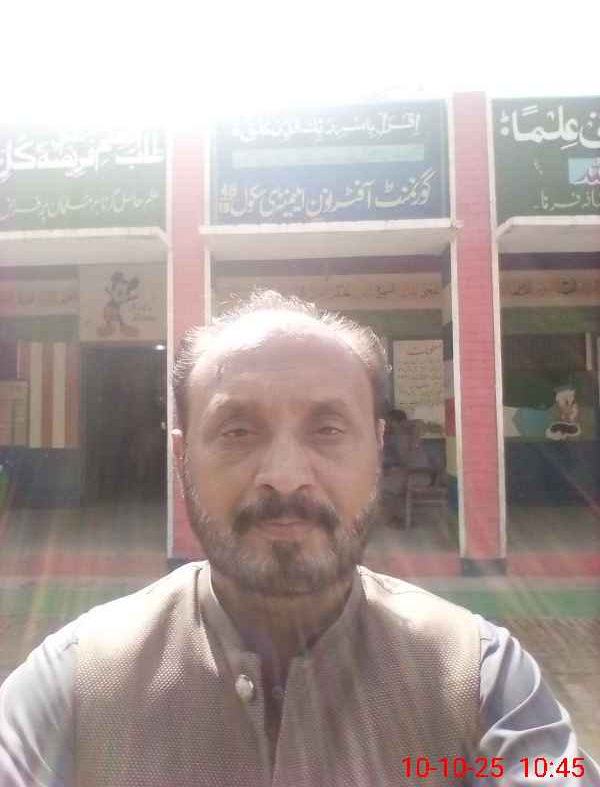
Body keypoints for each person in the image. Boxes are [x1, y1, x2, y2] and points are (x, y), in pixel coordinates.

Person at [0, 289, 599, 787]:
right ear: (181, 458)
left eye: (328, 429)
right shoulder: (78, 678)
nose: (285, 476)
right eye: (238, 431)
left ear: (377, 447)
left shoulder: (483, 678)